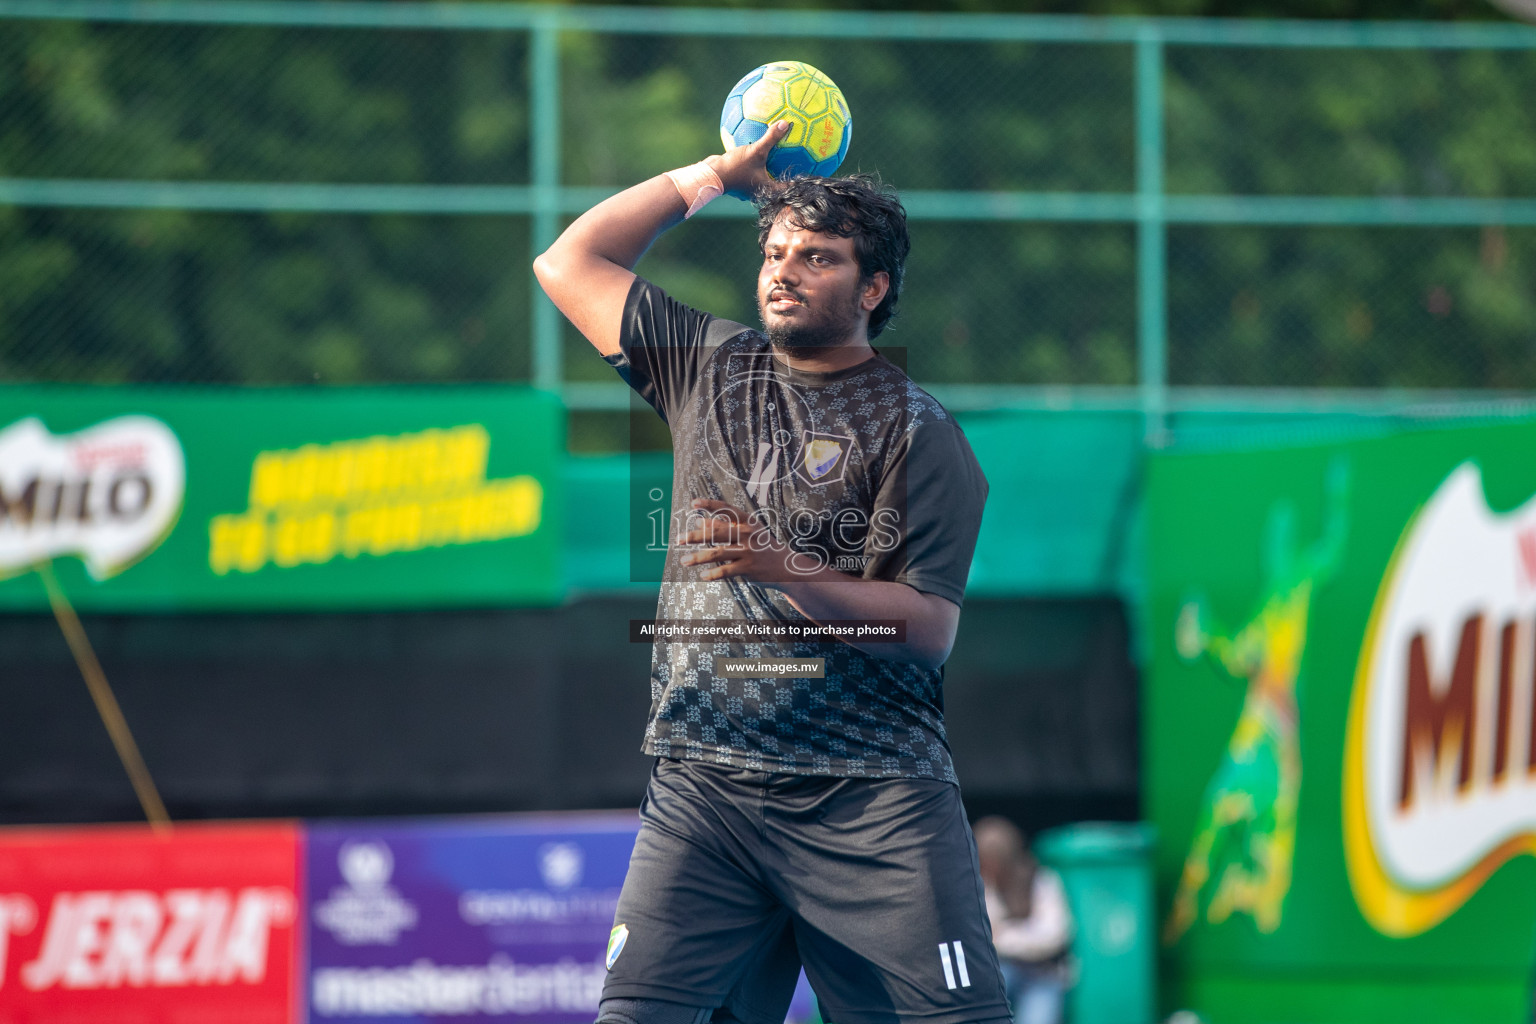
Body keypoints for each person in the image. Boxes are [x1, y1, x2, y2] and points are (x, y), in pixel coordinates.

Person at [534, 120, 999, 1024]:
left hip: (871, 798)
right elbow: (570, 260)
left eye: (817, 257)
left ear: (873, 287)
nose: (784, 269)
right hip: (704, 791)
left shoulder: (917, 429)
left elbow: (927, 629)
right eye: (777, 251)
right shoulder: (708, 367)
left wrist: (778, 568)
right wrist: (714, 175)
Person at [973, 817, 1074, 1024]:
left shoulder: (1041, 880)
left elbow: (1054, 935)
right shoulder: (981, 884)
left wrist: (1006, 936)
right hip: (1002, 972)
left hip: (1043, 976)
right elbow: (980, 936)